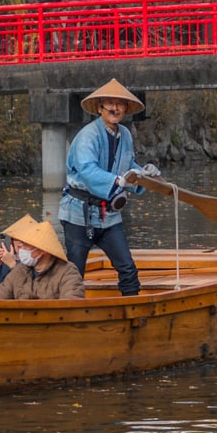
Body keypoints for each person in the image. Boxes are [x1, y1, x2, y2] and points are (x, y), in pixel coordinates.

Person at [58, 79, 152, 296]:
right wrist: (118, 181)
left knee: (127, 268)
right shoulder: (88, 135)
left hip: (109, 215)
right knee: (74, 273)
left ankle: (132, 308)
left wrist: (145, 174)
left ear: (126, 109)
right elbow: (87, 169)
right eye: (110, 103)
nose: (115, 108)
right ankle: (70, 309)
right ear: (100, 108)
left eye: (120, 104)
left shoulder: (125, 135)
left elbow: (128, 165)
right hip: (78, 214)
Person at [0, 216, 86, 300]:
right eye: (19, 243)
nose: (21, 248)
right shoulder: (20, 270)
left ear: (42, 250)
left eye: (26, 245)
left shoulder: (68, 272)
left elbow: (71, 306)